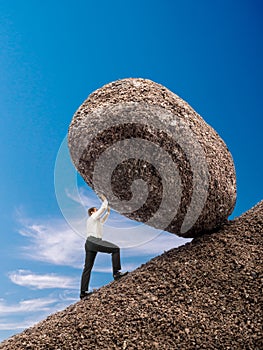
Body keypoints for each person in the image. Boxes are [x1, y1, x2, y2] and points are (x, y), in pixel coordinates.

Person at [80, 194, 128, 299]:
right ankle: (116, 273)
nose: (97, 211)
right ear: (92, 212)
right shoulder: (92, 218)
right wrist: (105, 199)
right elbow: (103, 208)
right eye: (95, 210)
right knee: (115, 249)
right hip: (94, 241)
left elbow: (103, 220)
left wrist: (108, 212)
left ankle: (83, 293)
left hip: (89, 244)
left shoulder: (96, 221)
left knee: (87, 267)